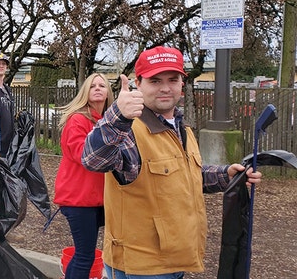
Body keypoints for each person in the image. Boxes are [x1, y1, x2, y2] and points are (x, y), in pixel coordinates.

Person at [81, 46, 263, 279]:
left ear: (181, 83)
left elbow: (183, 174)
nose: (165, 88)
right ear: (139, 83)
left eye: (173, 79)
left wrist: (225, 175)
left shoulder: (181, 127)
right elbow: (93, 160)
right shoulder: (129, 131)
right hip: (142, 268)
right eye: (155, 81)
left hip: (176, 259)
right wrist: (117, 116)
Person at [53, 73, 113, 279]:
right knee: (85, 256)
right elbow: (83, 155)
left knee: (88, 254)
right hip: (78, 199)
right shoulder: (78, 120)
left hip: (98, 198)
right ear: (85, 92)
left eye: (102, 85)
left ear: (108, 92)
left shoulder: (107, 120)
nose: (97, 88)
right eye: (92, 85)